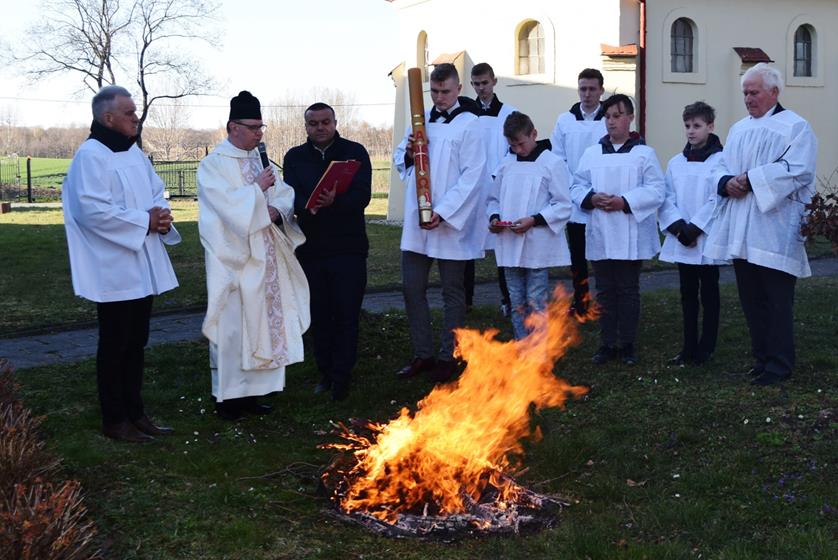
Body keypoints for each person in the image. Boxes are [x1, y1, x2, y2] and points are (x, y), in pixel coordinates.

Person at [62, 85, 179, 443]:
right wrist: (144, 221)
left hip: (140, 263)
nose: (136, 118)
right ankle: (114, 419)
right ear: (107, 117)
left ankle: (135, 412)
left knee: (136, 341)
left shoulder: (134, 153)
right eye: (129, 113)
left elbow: (156, 190)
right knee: (115, 344)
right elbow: (90, 210)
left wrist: (159, 214)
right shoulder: (90, 155)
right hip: (113, 264)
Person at [197, 91, 310, 420]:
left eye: (262, 126)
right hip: (233, 259)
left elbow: (284, 192)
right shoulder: (213, 165)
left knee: (262, 324)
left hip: (266, 256)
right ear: (232, 127)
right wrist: (257, 191)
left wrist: (277, 208)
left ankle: (256, 393)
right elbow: (224, 207)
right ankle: (229, 399)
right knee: (235, 328)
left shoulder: (258, 160)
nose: (260, 133)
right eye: (253, 127)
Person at [704, 63, 817, 386]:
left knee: (776, 299)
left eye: (754, 92)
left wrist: (751, 180)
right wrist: (726, 181)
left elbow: (798, 170)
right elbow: (719, 166)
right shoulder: (738, 129)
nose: (748, 98)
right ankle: (762, 358)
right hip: (741, 225)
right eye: (745, 93)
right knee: (751, 297)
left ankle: (780, 363)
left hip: (774, 226)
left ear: (774, 92)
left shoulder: (796, 127)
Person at [393, 62, 487, 382]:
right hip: (418, 221)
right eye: (434, 91)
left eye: (445, 91)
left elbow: (473, 176)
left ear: (458, 89)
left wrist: (444, 211)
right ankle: (423, 353)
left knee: (452, 291)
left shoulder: (470, 124)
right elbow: (399, 160)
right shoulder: (420, 119)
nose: (439, 97)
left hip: (448, 221)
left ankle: (449, 356)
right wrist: (408, 155)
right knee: (411, 287)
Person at [282, 102, 372, 402]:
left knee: (346, 313)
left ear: (335, 122)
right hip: (312, 248)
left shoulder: (354, 152)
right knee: (319, 314)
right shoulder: (295, 157)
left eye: (325, 122)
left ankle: (343, 375)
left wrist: (337, 200)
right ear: (305, 126)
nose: (320, 128)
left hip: (348, 247)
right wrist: (312, 202)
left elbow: (363, 196)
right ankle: (325, 372)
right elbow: (289, 195)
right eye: (313, 123)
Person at [571, 94, 665, 365]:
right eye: (608, 116)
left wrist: (625, 201)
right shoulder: (592, 153)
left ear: (630, 118)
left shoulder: (644, 153)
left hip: (629, 232)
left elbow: (657, 190)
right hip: (601, 229)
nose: (611, 122)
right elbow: (576, 186)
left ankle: (627, 344)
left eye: (617, 116)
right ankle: (607, 343)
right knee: (605, 290)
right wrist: (591, 198)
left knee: (627, 289)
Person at [487, 111, 572, 339]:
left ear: (533, 134)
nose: (517, 150)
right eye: (512, 145)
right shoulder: (506, 164)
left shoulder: (551, 163)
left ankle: (537, 354)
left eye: (521, 144)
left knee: (536, 301)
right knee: (516, 301)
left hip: (537, 244)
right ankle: (521, 346)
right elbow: (493, 199)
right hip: (509, 242)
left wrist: (534, 220)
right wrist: (494, 218)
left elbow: (563, 204)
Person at [658, 101, 726, 366]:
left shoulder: (721, 160)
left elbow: (718, 198)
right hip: (681, 237)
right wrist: (678, 228)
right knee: (687, 294)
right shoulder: (676, 162)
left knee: (709, 294)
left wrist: (696, 227)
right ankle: (688, 347)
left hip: (705, 236)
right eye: (687, 126)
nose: (691, 131)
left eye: (697, 126)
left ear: (710, 127)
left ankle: (706, 347)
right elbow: (666, 197)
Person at [550, 68, 608, 318]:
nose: (587, 94)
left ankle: (606, 299)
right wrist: (576, 190)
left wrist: (598, 192)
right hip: (575, 198)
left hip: (604, 196)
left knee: (605, 253)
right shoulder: (565, 120)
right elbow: (558, 158)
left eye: (592, 89)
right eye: (582, 88)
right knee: (578, 254)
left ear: (601, 90)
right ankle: (581, 300)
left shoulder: (611, 118)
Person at [470, 62, 517, 316]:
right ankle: (465, 300)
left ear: (494, 81)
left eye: (485, 83)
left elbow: (514, 149)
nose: (481, 89)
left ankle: (507, 298)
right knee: (465, 243)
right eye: (476, 84)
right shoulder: (466, 114)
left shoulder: (508, 113)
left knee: (502, 245)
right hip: (472, 187)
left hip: (499, 185)